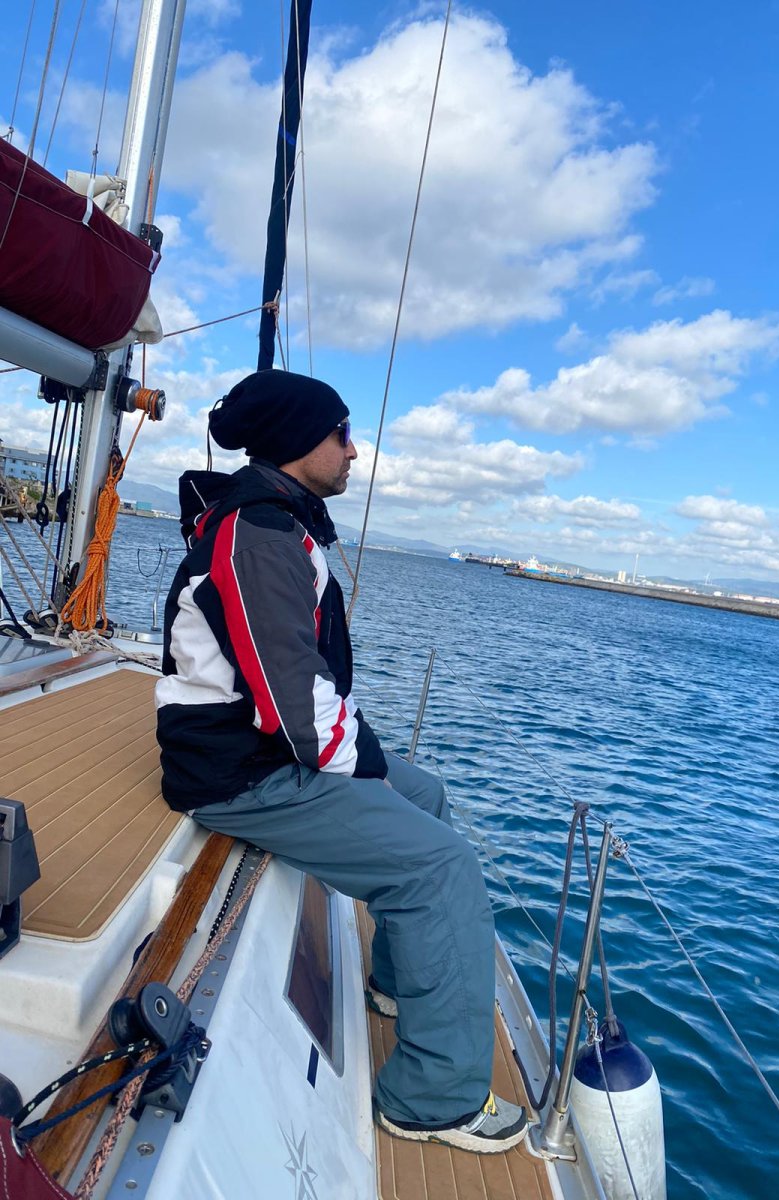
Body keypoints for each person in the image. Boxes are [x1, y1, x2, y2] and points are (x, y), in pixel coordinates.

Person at [155, 369, 528, 1155]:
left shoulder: (281, 524)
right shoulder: (256, 535)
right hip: (240, 772)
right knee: (441, 868)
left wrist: (376, 770)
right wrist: (361, 768)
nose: (355, 452)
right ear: (298, 442)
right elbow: (293, 700)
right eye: (342, 435)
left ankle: (397, 982)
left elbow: (299, 693)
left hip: (264, 751)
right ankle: (431, 1101)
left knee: (424, 794)